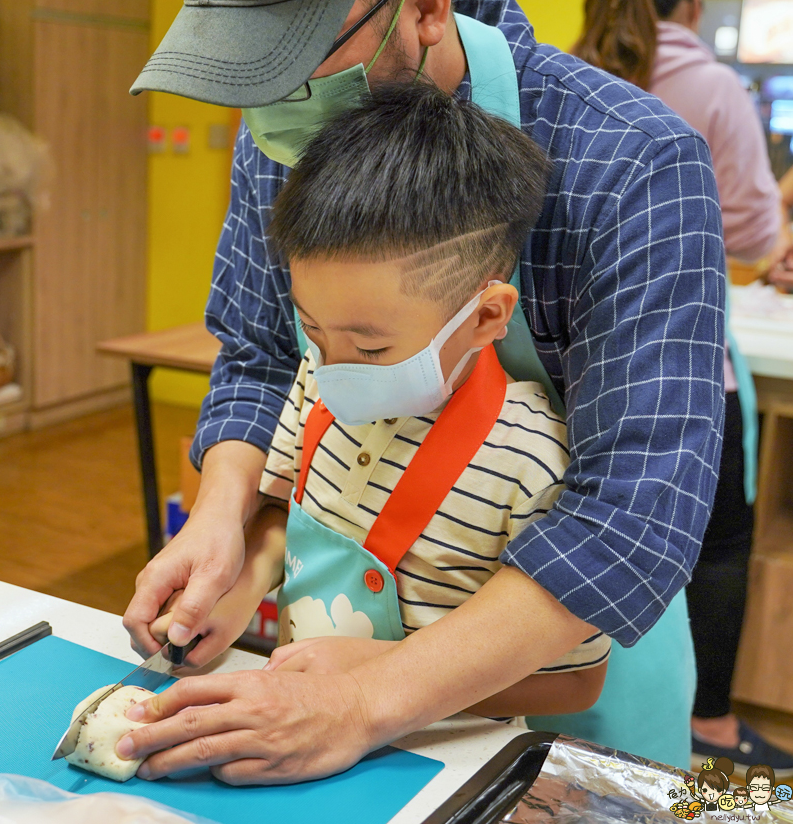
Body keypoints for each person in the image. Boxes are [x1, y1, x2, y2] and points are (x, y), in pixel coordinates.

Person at [121, 0, 725, 782]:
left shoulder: (630, 161)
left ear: (428, 8)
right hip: (330, 657)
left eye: (293, 65)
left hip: (560, 679)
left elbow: (632, 517)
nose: (269, 107)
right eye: (243, 74)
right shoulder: (285, 133)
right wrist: (225, 524)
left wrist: (367, 701)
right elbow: (258, 358)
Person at [150, 82, 612, 727]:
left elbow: (577, 685)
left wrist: (377, 675)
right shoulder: (319, 380)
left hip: (435, 751)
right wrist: (234, 592)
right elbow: (293, 516)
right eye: (312, 330)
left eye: (372, 348)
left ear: (484, 317)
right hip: (299, 729)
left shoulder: (530, 459)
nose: (335, 369)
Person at [572, 0, 793, 777]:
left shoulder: (566, 72)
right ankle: (714, 729)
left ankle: (597, 749)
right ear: (693, 9)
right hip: (684, 357)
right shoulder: (713, 88)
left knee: (598, 528)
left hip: (574, 356)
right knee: (716, 548)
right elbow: (758, 234)